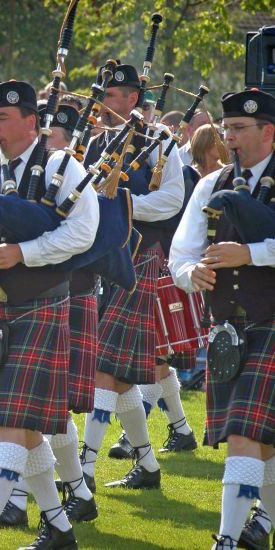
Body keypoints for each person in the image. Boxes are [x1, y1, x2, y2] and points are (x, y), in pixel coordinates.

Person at [0, 79, 98, 549]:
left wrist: (22, 254)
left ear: (32, 121)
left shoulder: (62, 167)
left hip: (43, 304)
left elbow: (82, 233)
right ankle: (59, 528)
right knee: (24, 426)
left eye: (3, 118)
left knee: (13, 418)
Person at [168, 88, 275, 550]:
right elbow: (180, 252)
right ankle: (263, 523)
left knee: (244, 433)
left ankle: (227, 540)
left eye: (239, 129)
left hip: (272, 322)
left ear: (268, 131)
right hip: (228, 329)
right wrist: (192, 273)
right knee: (259, 441)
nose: (228, 138)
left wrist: (249, 253)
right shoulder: (213, 184)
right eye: (227, 129)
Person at [79, 63, 186, 493]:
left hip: (142, 260)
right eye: (104, 93)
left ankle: (82, 474)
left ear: (134, 100)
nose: (105, 102)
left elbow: (172, 200)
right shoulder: (97, 142)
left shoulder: (161, 142)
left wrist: (121, 204)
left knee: (107, 367)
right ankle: (147, 465)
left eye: (114, 95)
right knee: (121, 377)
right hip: (103, 260)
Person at [0, 103, 100, 529]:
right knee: (36, 408)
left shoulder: (73, 175)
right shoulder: (15, 173)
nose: (52, 144)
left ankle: (33, 498)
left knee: (47, 408)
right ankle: (62, 495)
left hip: (70, 291)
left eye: (60, 135)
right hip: (29, 294)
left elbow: (93, 235)